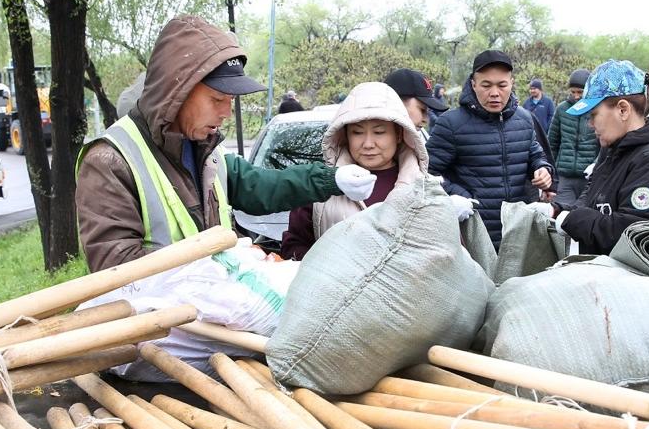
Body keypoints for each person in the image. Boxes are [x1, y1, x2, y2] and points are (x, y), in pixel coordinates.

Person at [75, 14, 376, 272]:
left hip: (211, 322)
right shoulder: (110, 161)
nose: (226, 112)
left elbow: (262, 186)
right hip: (159, 333)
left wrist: (331, 178)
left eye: (230, 101)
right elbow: (115, 268)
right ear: (176, 93)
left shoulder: (206, 151)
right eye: (217, 99)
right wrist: (223, 264)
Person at [535, 60, 649, 255]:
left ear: (623, 110)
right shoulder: (614, 151)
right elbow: (594, 200)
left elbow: (629, 232)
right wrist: (558, 210)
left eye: (594, 114)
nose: (591, 124)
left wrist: (570, 220)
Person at [281, 82, 427, 260]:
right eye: (357, 133)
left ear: (398, 134)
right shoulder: (321, 185)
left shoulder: (423, 187)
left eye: (379, 132)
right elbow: (294, 245)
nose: (368, 144)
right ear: (345, 135)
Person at [427, 49, 554, 249]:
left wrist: (542, 169)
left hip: (519, 231)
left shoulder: (524, 118)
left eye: (502, 85)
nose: (494, 93)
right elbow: (427, 173)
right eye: (486, 85)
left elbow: (534, 154)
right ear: (473, 84)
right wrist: (460, 194)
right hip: (474, 233)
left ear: (511, 83)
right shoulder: (451, 123)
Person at [548, 68, 600, 207]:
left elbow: (604, 145)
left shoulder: (597, 110)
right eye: (573, 92)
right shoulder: (562, 109)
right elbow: (552, 144)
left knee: (583, 216)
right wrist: (551, 178)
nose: (576, 96)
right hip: (565, 175)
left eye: (580, 92)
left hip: (588, 177)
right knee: (561, 216)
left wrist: (596, 164)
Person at [383, 68, 449, 135]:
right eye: (422, 110)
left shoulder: (421, 135)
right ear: (398, 103)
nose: (426, 120)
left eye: (428, 111)